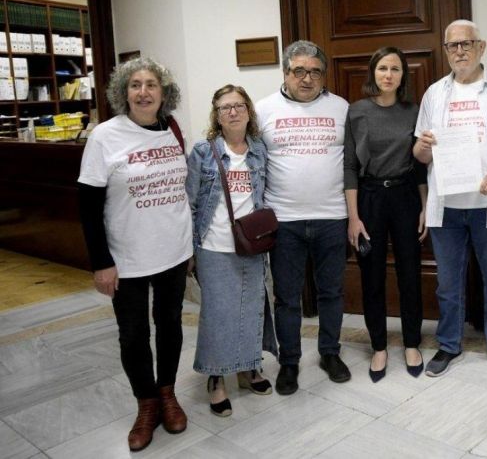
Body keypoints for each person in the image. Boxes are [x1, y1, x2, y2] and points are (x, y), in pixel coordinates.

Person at [77, 58, 191, 452]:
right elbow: (88, 206)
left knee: (171, 323)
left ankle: (167, 393)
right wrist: (101, 262)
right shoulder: (106, 136)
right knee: (133, 334)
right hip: (126, 258)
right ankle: (146, 405)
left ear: (164, 92)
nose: (144, 92)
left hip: (174, 251)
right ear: (123, 92)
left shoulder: (174, 129)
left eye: (152, 85)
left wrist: (188, 244)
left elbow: (181, 192)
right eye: (135, 85)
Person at [413, 19, 487, 378]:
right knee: (448, 284)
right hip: (446, 206)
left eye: (466, 44)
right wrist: (423, 147)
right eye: (452, 46)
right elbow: (420, 155)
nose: (459, 51)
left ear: (481, 47)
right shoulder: (434, 94)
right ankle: (448, 344)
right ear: (445, 51)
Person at [255, 41, 351, 393]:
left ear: (323, 75)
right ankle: (289, 362)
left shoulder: (341, 108)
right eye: (299, 71)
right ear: (286, 72)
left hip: (332, 217)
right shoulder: (263, 110)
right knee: (286, 297)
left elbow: (353, 165)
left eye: (314, 71)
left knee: (332, 292)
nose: (307, 78)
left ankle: (329, 352)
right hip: (284, 221)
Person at [186, 85, 277, 416]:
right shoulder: (202, 152)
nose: (233, 112)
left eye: (238, 106)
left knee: (251, 308)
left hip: (250, 245)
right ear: (217, 115)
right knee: (216, 314)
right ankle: (216, 377)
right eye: (225, 108)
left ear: (249, 111)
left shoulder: (259, 150)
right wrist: (191, 250)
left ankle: (249, 367)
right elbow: (191, 202)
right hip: (213, 246)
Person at [344, 47, 428, 382]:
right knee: (371, 274)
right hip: (370, 197)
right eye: (382, 68)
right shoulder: (357, 112)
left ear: (403, 74)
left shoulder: (414, 111)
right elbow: (350, 166)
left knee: (410, 272)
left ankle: (411, 343)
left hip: (406, 194)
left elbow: (421, 165)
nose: (388, 75)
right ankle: (379, 346)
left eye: (395, 68)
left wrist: (425, 206)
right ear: (373, 73)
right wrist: (353, 216)